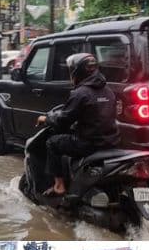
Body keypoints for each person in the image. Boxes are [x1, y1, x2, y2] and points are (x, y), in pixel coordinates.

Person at [36, 53, 120, 197]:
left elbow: (63, 120)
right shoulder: (109, 91)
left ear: (77, 71)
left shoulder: (80, 93)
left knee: (52, 143)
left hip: (88, 144)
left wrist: (46, 119)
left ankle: (59, 185)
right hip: (111, 142)